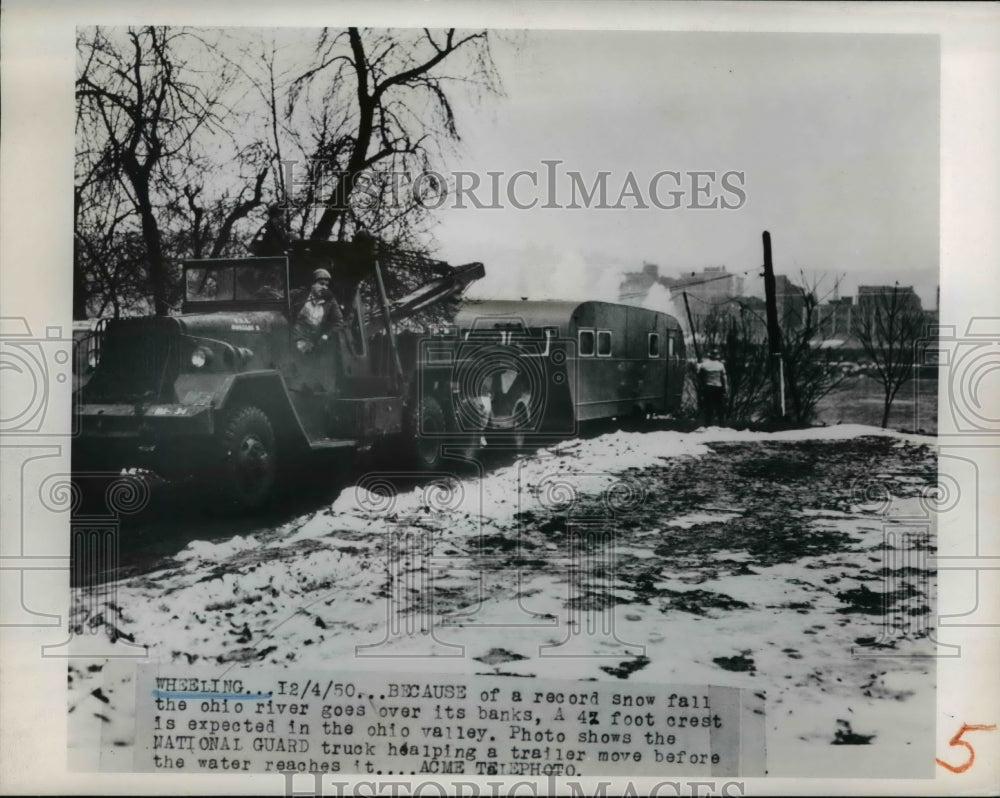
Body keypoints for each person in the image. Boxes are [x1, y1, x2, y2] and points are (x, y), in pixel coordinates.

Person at [293, 268, 346, 354]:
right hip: (293, 340)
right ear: (312, 284)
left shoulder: (330, 301)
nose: (324, 287)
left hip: (312, 345)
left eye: (326, 285)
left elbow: (339, 322)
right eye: (321, 284)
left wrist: (326, 335)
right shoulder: (299, 295)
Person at [697, 347, 728, 426]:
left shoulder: (704, 365)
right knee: (719, 407)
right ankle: (721, 423)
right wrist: (725, 388)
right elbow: (724, 378)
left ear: (709, 356)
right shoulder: (721, 365)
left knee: (708, 406)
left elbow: (700, 375)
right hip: (718, 387)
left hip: (708, 387)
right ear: (717, 356)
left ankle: (708, 423)